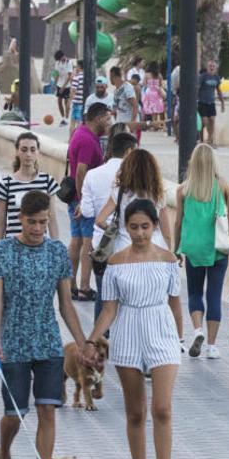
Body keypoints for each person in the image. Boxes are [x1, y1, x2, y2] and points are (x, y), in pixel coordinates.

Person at [0, 190, 88, 459]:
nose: (37, 229)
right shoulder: (3, 251)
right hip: (14, 343)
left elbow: (66, 304)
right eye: (32, 222)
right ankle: (4, 454)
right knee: (14, 414)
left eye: (43, 222)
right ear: (21, 219)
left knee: (47, 409)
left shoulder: (57, 252)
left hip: (48, 343)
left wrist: (81, 343)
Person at [83, 200, 183, 459]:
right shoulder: (116, 261)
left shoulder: (168, 259)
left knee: (162, 409)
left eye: (145, 227)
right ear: (126, 227)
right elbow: (109, 309)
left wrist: (180, 339)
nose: (140, 233)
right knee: (136, 413)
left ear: (154, 226)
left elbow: (175, 304)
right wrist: (90, 341)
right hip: (127, 331)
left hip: (161, 330)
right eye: (134, 227)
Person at [173, 144, 228, 359]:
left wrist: (176, 248)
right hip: (217, 248)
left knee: (195, 292)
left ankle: (197, 331)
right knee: (214, 295)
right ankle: (212, 346)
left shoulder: (183, 190)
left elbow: (177, 222)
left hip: (193, 248)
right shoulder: (223, 187)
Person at [81, 132, 138, 319]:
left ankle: (99, 344)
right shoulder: (134, 177)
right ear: (129, 151)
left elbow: (88, 212)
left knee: (104, 298)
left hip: (102, 246)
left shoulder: (92, 175)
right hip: (128, 246)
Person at [66, 103, 111, 301]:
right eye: (107, 118)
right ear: (98, 118)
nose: (109, 123)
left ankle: (70, 284)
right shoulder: (86, 140)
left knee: (76, 241)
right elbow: (81, 172)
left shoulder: (81, 133)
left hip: (77, 199)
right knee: (87, 243)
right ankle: (84, 286)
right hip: (82, 200)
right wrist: (83, 201)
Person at [95, 148, 172, 251]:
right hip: (154, 248)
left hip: (125, 247)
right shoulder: (157, 194)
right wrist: (169, 252)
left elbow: (100, 221)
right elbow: (166, 233)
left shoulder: (119, 192)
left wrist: (115, 231)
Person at [0, 132, 60, 240]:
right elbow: (1, 223)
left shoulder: (47, 181)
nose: (28, 154)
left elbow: (52, 219)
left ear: (38, 152)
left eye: (32, 150)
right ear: (17, 152)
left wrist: (56, 248)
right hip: (13, 247)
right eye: (24, 150)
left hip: (40, 246)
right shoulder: (6, 184)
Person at [198, 60, 225, 147]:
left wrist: (222, 103)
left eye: (213, 66)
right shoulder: (203, 77)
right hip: (202, 102)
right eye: (210, 66)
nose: (212, 67)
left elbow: (219, 91)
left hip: (211, 103)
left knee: (212, 120)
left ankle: (210, 140)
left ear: (216, 67)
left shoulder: (216, 78)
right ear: (207, 67)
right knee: (205, 122)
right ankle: (202, 139)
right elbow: (197, 88)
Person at [111, 66, 139, 131]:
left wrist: (132, 123)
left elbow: (135, 105)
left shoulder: (127, 88)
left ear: (112, 76)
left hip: (128, 125)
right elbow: (116, 109)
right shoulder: (116, 90)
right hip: (120, 125)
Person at [54, 51, 73, 126]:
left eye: (60, 58)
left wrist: (63, 87)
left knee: (66, 103)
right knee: (59, 102)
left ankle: (67, 118)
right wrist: (55, 84)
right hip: (59, 84)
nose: (60, 60)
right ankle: (63, 118)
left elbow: (69, 76)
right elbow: (57, 74)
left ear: (63, 56)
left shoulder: (69, 62)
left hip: (67, 85)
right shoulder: (57, 63)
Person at [68, 60, 85, 134]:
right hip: (82, 103)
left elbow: (73, 90)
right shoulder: (86, 77)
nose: (75, 67)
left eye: (76, 66)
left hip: (77, 103)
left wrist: (69, 101)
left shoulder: (77, 78)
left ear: (79, 67)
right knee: (79, 122)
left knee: (73, 122)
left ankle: (71, 139)